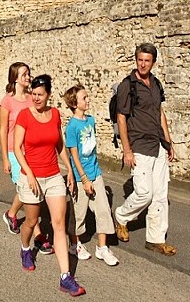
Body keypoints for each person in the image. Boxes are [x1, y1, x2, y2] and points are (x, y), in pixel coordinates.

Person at [14, 74, 86, 297]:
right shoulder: (24, 116)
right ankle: (26, 248)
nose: (35, 98)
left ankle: (66, 277)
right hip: (31, 177)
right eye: (33, 94)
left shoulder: (54, 114)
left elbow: (59, 144)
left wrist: (69, 169)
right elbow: (17, 148)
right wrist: (30, 175)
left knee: (58, 224)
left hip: (54, 176)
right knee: (32, 221)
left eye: (39, 95)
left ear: (48, 95)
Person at [113, 43, 177, 256]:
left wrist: (168, 142)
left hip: (157, 145)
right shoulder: (127, 85)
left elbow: (160, 113)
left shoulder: (156, 84)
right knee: (144, 193)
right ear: (136, 60)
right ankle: (121, 217)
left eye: (147, 60)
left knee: (160, 195)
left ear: (153, 62)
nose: (143, 64)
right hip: (138, 145)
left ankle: (156, 239)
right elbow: (121, 118)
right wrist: (127, 149)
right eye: (140, 59)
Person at [0, 62, 53, 255]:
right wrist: (5, 158)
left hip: (30, 150)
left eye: (29, 74)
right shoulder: (7, 102)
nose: (28, 77)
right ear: (14, 78)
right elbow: (3, 129)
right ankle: (38, 235)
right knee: (29, 188)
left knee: (26, 189)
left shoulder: (32, 98)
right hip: (15, 151)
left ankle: (11, 214)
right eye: (24, 74)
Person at [63, 85, 119, 266]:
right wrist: (84, 179)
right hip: (81, 177)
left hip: (96, 172)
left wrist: (94, 174)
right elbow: (74, 155)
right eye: (84, 98)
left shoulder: (91, 120)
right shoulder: (72, 127)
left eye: (87, 97)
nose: (88, 100)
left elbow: (92, 149)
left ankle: (102, 248)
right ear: (74, 103)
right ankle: (75, 244)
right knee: (79, 213)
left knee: (103, 209)